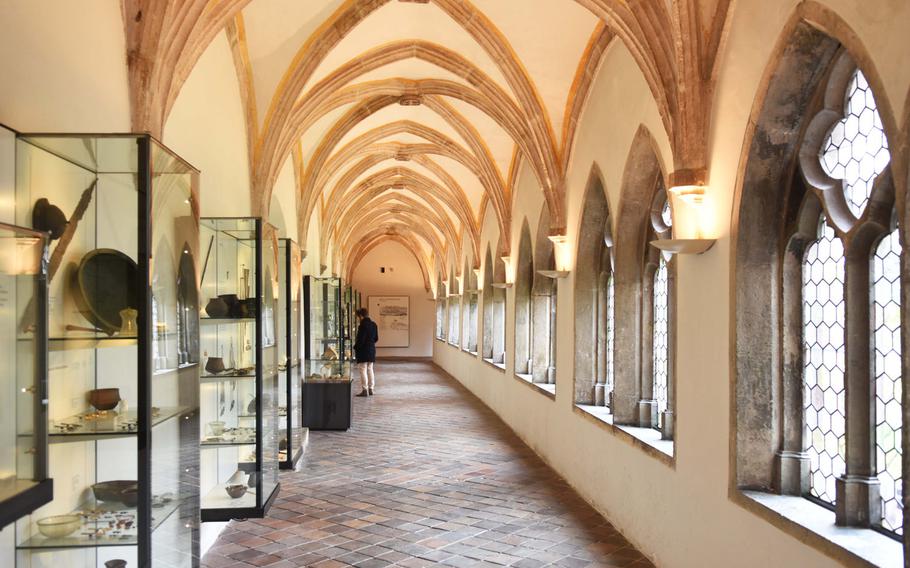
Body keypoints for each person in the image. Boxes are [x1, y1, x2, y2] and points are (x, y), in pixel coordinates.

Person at [353, 307, 379, 396]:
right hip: (371, 350)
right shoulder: (374, 324)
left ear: (361, 316)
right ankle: (371, 389)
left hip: (363, 351)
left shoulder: (362, 326)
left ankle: (365, 390)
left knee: (363, 369)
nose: (358, 319)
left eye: (358, 317)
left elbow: (361, 340)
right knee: (370, 369)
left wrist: (355, 347)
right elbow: (376, 338)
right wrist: (370, 343)